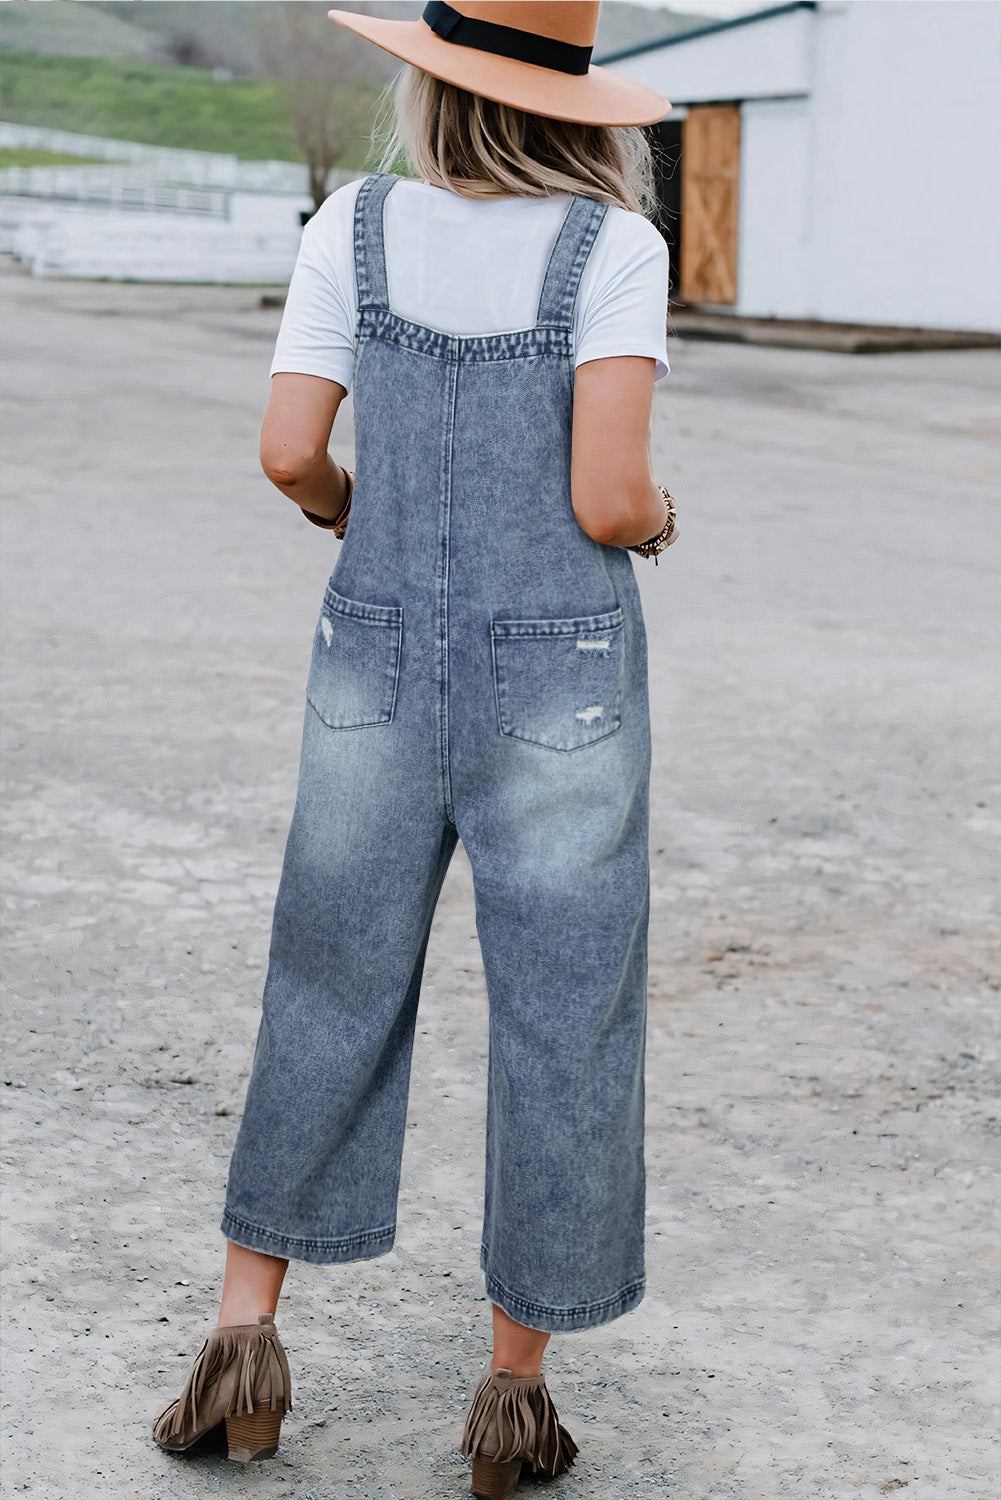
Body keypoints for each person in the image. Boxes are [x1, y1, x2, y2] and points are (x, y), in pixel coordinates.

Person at [151, 3, 675, 1495]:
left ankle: (242, 1351)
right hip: (559, 669)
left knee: (326, 973)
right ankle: (511, 1402)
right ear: (574, 107)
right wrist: (661, 521)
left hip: (371, 650)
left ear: (432, 85)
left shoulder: (351, 227)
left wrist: (350, 512)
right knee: (564, 1012)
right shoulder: (612, 249)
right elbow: (608, 499)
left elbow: (288, 452)